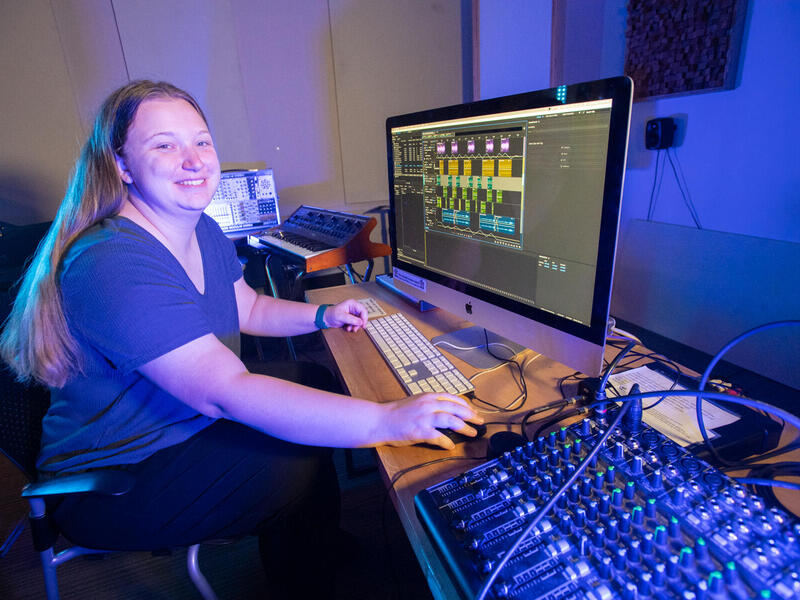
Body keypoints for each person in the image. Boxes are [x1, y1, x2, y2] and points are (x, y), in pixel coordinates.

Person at [0, 80, 482, 597]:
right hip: (115, 476)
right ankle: (303, 562)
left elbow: (247, 306)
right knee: (293, 466)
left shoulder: (197, 227)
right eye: (164, 144)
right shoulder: (111, 261)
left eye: (201, 141)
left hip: (178, 421)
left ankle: (312, 539)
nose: (194, 160)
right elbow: (222, 390)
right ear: (121, 165)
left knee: (313, 377)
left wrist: (322, 316)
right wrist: (389, 420)